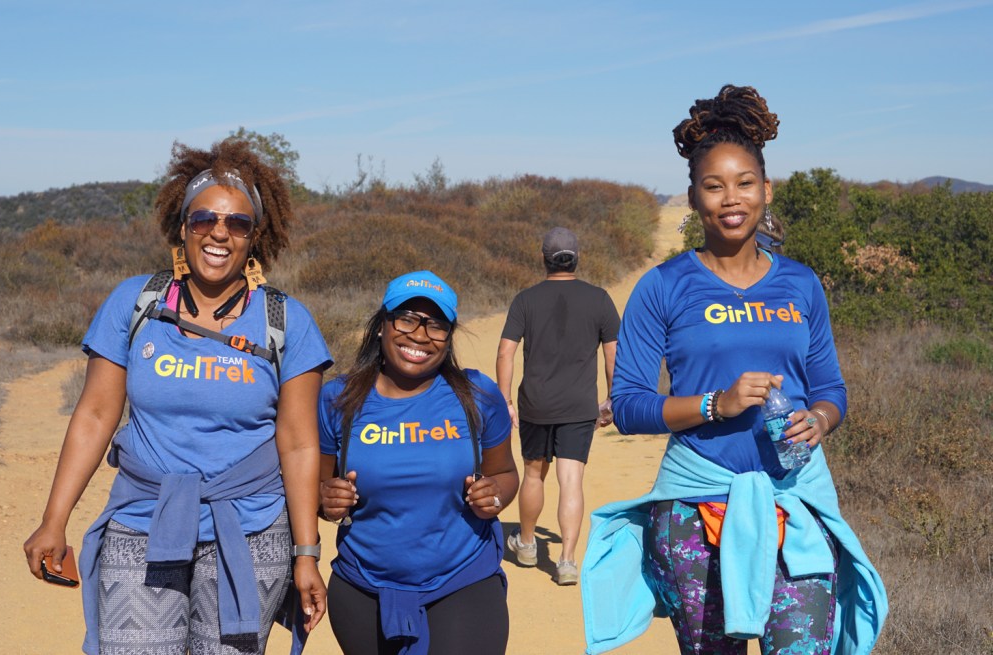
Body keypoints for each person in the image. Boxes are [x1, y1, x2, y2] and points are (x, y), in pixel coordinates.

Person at [580, 85, 887, 655]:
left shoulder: (800, 283)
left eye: (745, 183)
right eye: (714, 186)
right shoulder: (664, 287)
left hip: (794, 501)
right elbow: (628, 405)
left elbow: (830, 388)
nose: (731, 198)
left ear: (766, 190)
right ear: (693, 198)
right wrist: (713, 405)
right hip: (695, 508)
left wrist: (820, 419)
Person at [24, 138, 333, 655]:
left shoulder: (285, 321)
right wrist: (53, 520)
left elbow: (300, 445)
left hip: (251, 528)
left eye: (237, 223)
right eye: (203, 219)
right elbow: (97, 414)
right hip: (144, 518)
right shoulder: (136, 303)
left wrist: (306, 554)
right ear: (182, 227)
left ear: (255, 236)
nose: (219, 233)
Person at [318, 271, 518, 655]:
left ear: (449, 336)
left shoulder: (477, 395)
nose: (420, 335)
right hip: (364, 589)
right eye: (407, 319)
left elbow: (506, 474)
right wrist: (326, 499)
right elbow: (314, 488)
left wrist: (495, 496)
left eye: (436, 325)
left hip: (464, 580)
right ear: (382, 325)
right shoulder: (337, 400)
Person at [496, 227, 619, 585]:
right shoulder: (599, 299)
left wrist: (504, 400)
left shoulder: (525, 300)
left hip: (536, 403)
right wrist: (612, 398)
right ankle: (566, 561)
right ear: (577, 257)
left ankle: (529, 543)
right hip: (580, 406)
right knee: (571, 479)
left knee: (534, 473)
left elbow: (506, 351)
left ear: (544, 259)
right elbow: (614, 355)